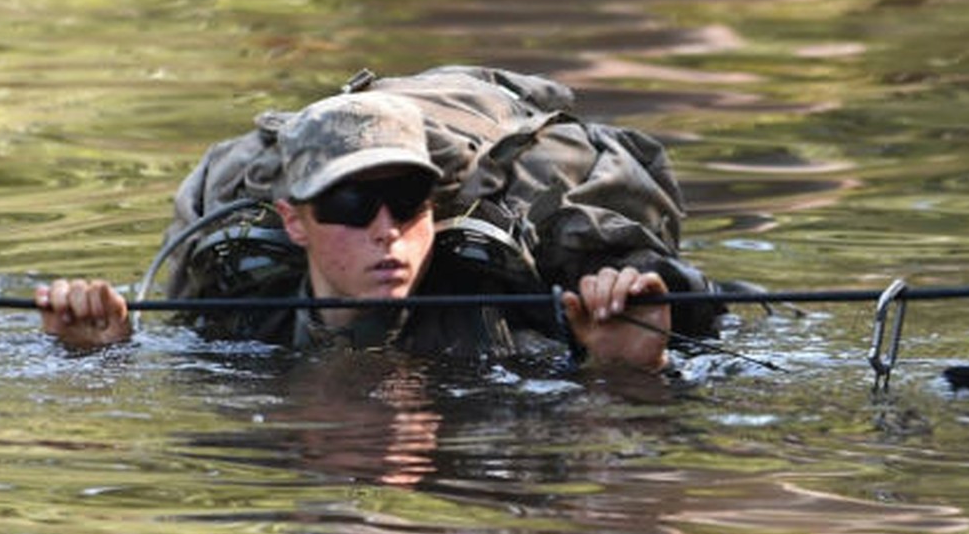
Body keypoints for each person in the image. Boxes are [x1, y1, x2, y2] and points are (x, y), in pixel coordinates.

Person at [36, 76, 702, 374]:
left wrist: (625, 367)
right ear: (294, 223)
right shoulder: (239, 317)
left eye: (408, 201)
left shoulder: (506, 317)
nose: (386, 229)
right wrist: (101, 357)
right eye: (352, 206)